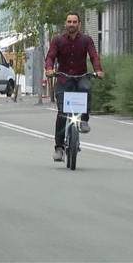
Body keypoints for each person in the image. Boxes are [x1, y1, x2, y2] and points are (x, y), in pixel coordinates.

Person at [45, 12, 103, 162]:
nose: (72, 24)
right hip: (63, 79)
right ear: (66, 23)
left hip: (81, 77)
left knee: (86, 89)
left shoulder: (86, 40)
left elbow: (94, 56)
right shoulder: (57, 40)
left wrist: (98, 70)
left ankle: (84, 120)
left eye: (74, 22)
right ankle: (59, 148)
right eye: (69, 21)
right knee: (62, 112)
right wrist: (49, 69)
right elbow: (50, 56)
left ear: (79, 24)